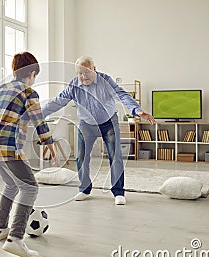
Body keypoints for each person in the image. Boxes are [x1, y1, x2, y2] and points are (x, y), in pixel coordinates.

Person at [0, 52, 59, 257]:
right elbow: (39, 121)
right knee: (30, 187)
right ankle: (16, 238)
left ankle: (0, 228)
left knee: (11, 185)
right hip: (8, 146)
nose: (34, 79)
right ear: (31, 73)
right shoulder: (28, 92)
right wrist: (49, 143)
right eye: (35, 75)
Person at [42, 56, 155, 205]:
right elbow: (58, 101)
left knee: (115, 157)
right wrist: (39, 114)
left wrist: (137, 110)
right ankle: (84, 189)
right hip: (87, 124)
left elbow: (121, 95)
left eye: (87, 72)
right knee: (81, 156)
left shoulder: (105, 81)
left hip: (108, 122)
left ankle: (118, 192)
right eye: (80, 73)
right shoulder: (74, 85)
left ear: (94, 69)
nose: (83, 76)